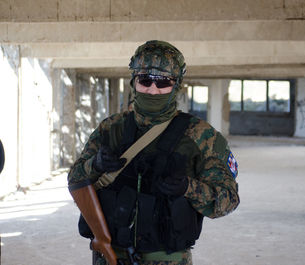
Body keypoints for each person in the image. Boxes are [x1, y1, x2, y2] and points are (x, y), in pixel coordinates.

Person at [67, 40, 240, 265]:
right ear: (133, 82)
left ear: (176, 86)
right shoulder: (110, 128)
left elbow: (228, 200)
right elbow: (74, 180)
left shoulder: (201, 136)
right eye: (145, 80)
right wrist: (95, 166)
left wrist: (188, 188)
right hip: (109, 256)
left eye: (163, 83)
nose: (152, 90)